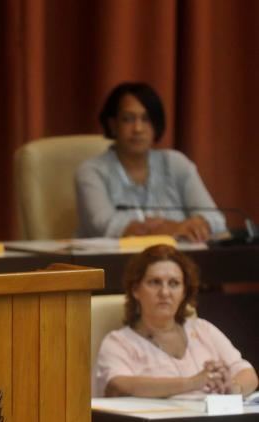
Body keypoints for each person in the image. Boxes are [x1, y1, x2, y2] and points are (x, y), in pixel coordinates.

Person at [94, 244, 258, 398]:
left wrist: (233, 389)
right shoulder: (119, 342)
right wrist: (192, 383)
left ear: (184, 292)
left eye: (174, 284)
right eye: (154, 282)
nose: (165, 292)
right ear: (135, 289)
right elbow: (118, 385)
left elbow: (247, 372)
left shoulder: (203, 330)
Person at [75, 82, 227, 242]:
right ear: (113, 125)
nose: (138, 128)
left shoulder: (176, 163)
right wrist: (171, 228)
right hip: (113, 263)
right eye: (128, 119)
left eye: (146, 119)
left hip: (177, 263)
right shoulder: (91, 172)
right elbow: (105, 225)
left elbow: (216, 219)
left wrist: (198, 223)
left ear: (156, 125)